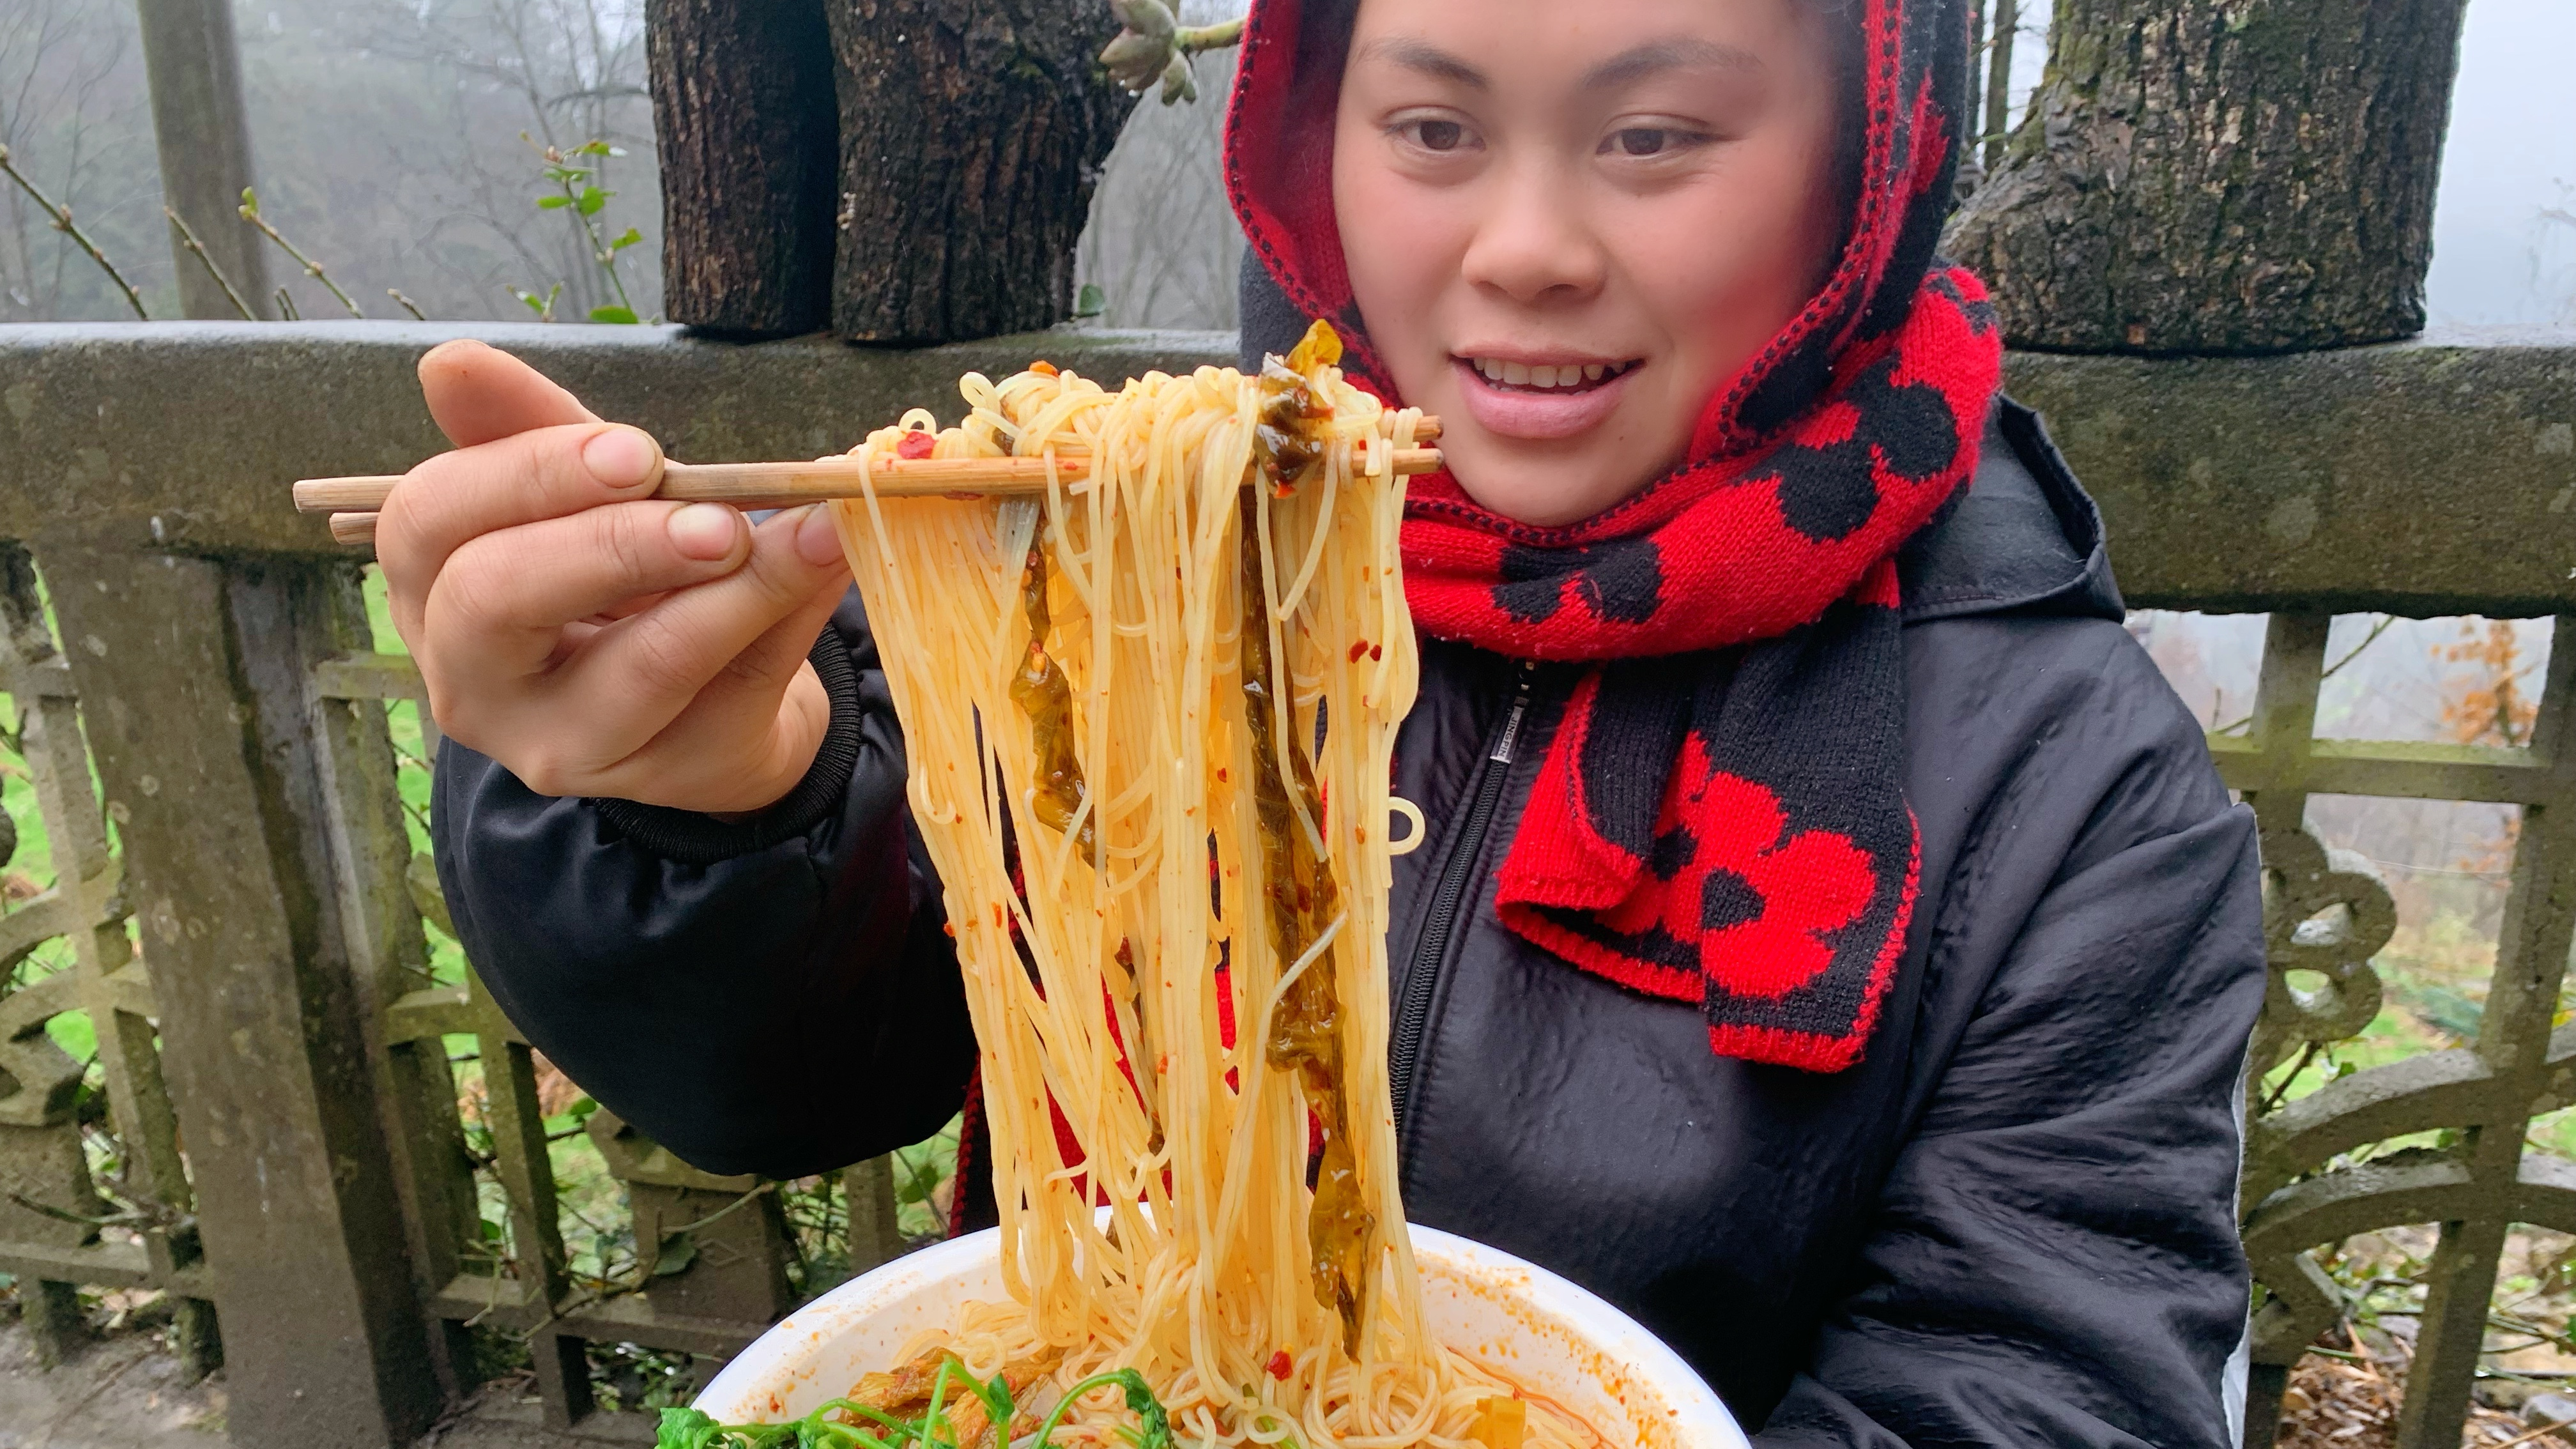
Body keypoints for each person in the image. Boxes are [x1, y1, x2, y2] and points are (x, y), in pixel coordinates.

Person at [395, 0, 2266, 1441]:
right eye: (1435, 125)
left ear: (1867, 163)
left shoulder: (2077, 804)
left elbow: (2047, 1385)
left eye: (1656, 131)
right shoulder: (1141, 554)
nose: (1525, 244)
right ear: (1317, 138)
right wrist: (712, 799)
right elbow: (811, 1060)